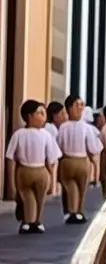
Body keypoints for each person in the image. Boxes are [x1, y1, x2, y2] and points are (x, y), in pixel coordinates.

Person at [5, 100, 60, 233]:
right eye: (40, 113)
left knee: (38, 197)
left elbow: (51, 160)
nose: (43, 116)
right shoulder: (20, 134)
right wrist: (11, 182)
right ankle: (30, 221)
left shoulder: (45, 135)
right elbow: (11, 158)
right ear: (29, 116)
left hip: (37, 170)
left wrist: (52, 181)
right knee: (28, 196)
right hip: (28, 170)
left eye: (44, 113)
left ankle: (33, 220)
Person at [55, 95, 102, 224]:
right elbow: (93, 148)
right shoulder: (85, 128)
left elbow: (59, 145)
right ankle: (77, 211)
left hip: (70, 161)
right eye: (77, 105)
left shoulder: (64, 127)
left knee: (75, 187)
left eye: (81, 105)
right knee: (77, 187)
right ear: (69, 108)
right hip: (78, 160)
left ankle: (74, 211)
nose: (80, 108)